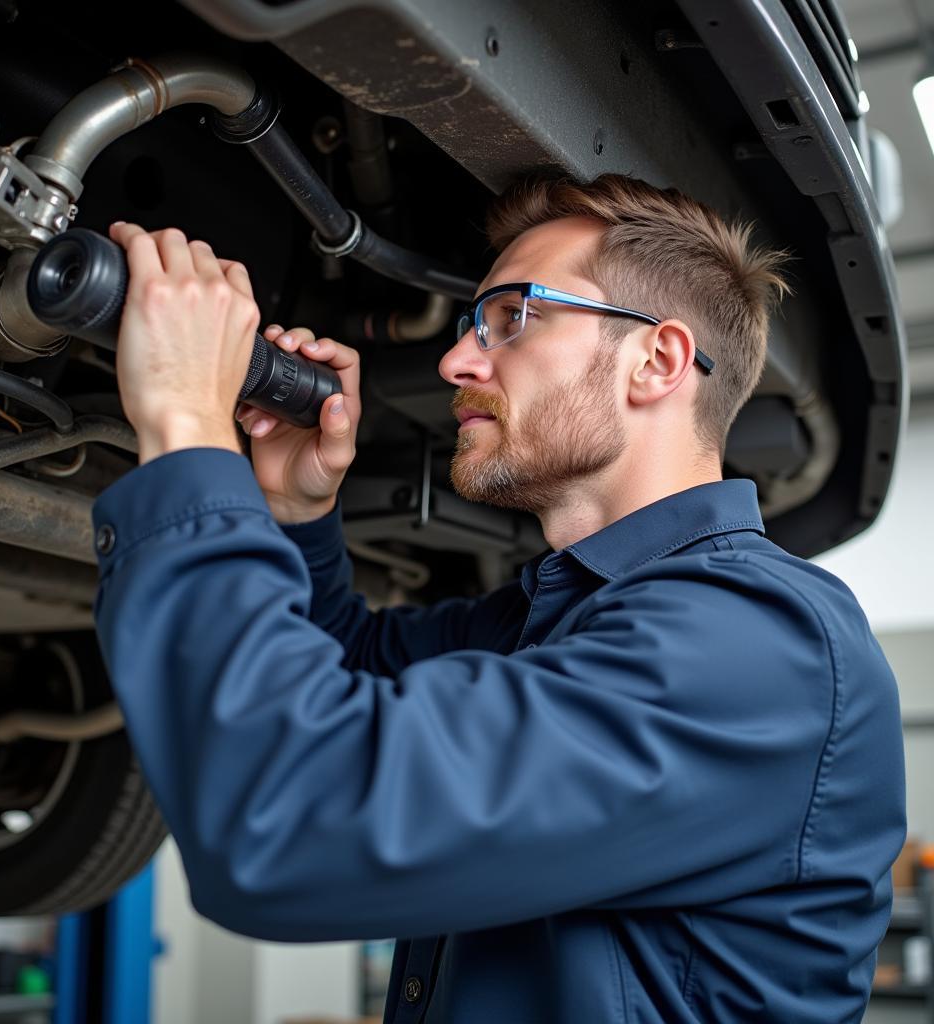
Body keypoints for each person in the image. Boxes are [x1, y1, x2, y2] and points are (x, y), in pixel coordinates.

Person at [91, 174, 906, 1023]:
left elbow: (286, 817)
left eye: (513, 317)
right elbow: (347, 682)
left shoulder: (762, 648)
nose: (455, 360)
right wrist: (297, 514)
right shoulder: (552, 621)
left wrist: (186, 426)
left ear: (657, 361)